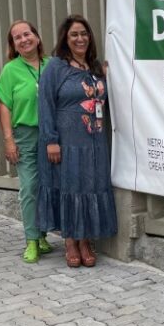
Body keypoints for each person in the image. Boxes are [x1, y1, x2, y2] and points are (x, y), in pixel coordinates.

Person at [37, 14, 117, 268]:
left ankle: (85, 240)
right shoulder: (56, 67)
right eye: (74, 34)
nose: (80, 38)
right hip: (67, 141)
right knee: (70, 188)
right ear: (65, 38)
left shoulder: (94, 67)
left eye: (84, 34)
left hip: (94, 142)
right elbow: (46, 104)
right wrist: (51, 140)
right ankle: (71, 241)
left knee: (89, 188)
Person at [0, 20, 52, 263]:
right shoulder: (11, 70)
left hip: (51, 135)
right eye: (17, 38)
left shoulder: (52, 66)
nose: (23, 39)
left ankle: (42, 234)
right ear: (14, 45)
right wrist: (8, 140)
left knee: (47, 186)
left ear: (37, 37)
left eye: (27, 34)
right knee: (29, 187)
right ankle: (31, 239)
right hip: (25, 134)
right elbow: (4, 105)